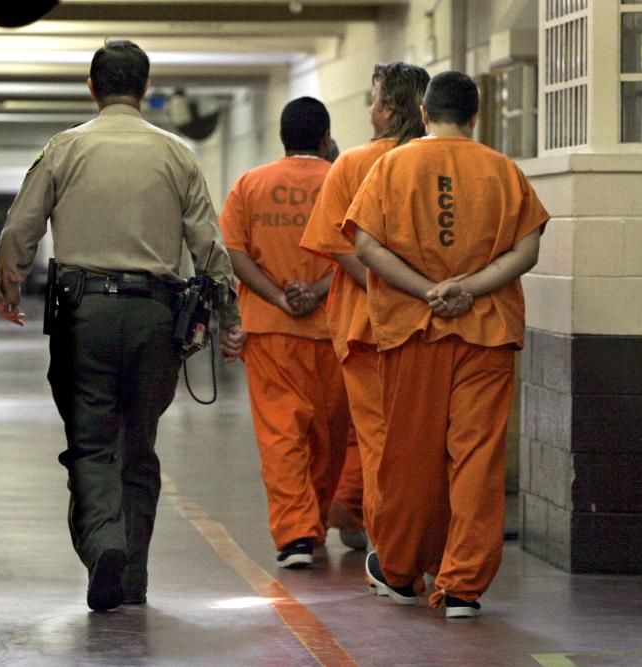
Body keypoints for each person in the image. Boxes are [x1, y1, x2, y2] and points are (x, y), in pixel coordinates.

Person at [0, 39, 246, 612]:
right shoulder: (177, 154)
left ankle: (104, 545)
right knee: (140, 446)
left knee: (91, 444)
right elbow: (209, 245)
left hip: (84, 315)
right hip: (158, 317)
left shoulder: (64, 148)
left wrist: (8, 285)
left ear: (92, 88)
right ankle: (131, 576)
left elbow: (19, 230)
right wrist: (230, 319)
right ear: (147, 89)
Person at [344, 71, 549, 617]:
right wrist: (468, 288)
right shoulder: (504, 171)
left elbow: (365, 245)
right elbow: (525, 253)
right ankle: (462, 585)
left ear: (425, 113)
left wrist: (427, 290)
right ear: (476, 117)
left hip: (414, 331)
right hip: (487, 332)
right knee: (478, 458)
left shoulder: (391, 165)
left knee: (409, 454)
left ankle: (401, 568)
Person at [301, 62, 430, 557]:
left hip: (368, 327)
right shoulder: (438, 163)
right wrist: (423, 292)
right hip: (432, 325)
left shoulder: (353, 164)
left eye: (373, 100)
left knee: (378, 444)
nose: (369, 110)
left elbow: (342, 248)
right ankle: (422, 547)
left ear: (389, 109)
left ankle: (391, 551)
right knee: (424, 446)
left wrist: (388, 290)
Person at [219, 97, 351, 568]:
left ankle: (295, 534)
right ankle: (309, 523)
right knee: (329, 436)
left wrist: (276, 298)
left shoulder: (251, 184)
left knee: (281, 435)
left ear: (282, 139)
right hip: (335, 331)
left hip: (270, 330)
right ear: (325, 139)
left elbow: (234, 252)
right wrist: (314, 292)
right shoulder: (345, 181)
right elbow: (361, 253)